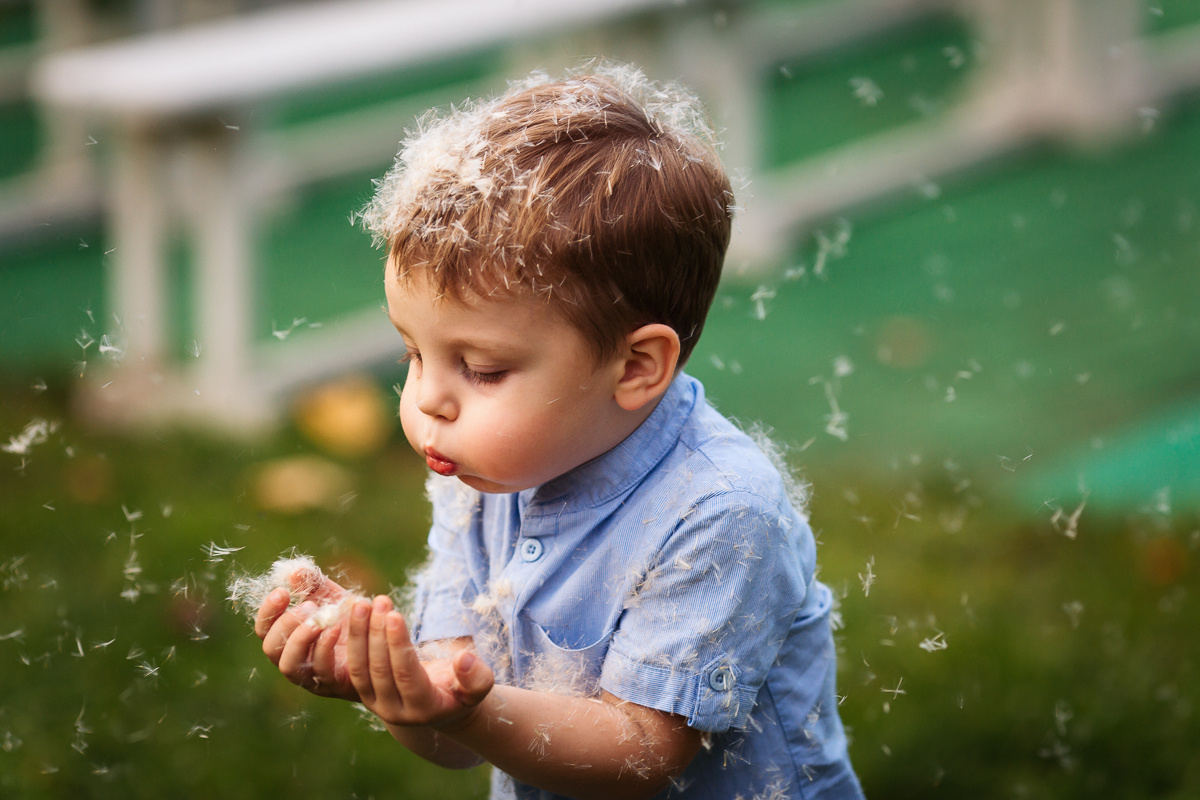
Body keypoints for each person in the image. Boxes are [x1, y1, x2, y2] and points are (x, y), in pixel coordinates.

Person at [253, 64, 863, 800]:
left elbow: (639, 754)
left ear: (636, 366)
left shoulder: (722, 513)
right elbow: (453, 732)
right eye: (414, 354)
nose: (428, 402)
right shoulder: (477, 473)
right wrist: (389, 684)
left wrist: (471, 713)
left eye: (480, 369)